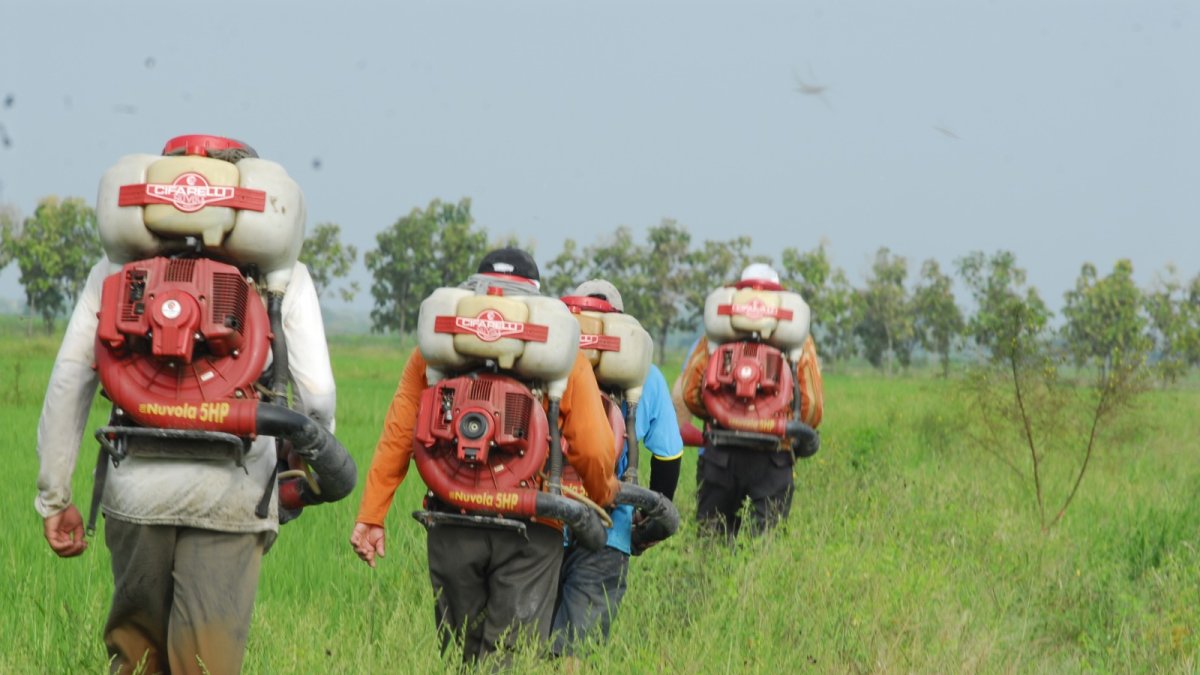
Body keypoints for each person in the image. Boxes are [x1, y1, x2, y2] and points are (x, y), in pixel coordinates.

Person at [36, 137, 338, 674]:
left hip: (135, 494)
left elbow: (68, 383)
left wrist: (55, 496)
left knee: (134, 657)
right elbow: (316, 394)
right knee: (204, 662)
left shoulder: (115, 269)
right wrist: (300, 468)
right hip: (233, 496)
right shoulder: (281, 274)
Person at [350, 248, 620, 664]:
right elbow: (595, 447)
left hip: (452, 513)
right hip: (532, 522)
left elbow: (401, 432)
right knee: (508, 655)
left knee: (460, 652)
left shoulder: (437, 348)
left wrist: (372, 515)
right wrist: (601, 498)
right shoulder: (561, 350)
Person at [550, 279, 682, 656]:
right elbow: (669, 456)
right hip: (611, 529)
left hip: (541, 519)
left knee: (525, 639)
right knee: (577, 648)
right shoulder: (646, 376)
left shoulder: (548, 363)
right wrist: (649, 517)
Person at [679, 263, 824, 540]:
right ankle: (755, 584)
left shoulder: (716, 338)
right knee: (764, 544)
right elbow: (813, 407)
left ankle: (709, 584)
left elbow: (690, 393)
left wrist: (720, 414)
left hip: (720, 453)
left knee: (713, 540)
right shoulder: (798, 344)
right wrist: (781, 425)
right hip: (774, 457)